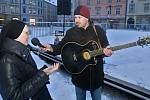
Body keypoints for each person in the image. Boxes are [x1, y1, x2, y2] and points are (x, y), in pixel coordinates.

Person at [41, 5, 112, 100]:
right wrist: (51, 48)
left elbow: (105, 47)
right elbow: (61, 46)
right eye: (75, 17)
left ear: (87, 18)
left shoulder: (98, 31)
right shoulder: (71, 32)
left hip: (96, 75)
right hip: (79, 75)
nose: (76, 20)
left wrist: (107, 52)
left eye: (79, 17)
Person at [0, 20, 59, 100]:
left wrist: (44, 72)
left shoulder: (22, 50)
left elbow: (26, 76)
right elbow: (14, 97)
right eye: (26, 33)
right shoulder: (7, 60)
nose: (29, 35)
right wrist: (43, 75)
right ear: (16, 35)